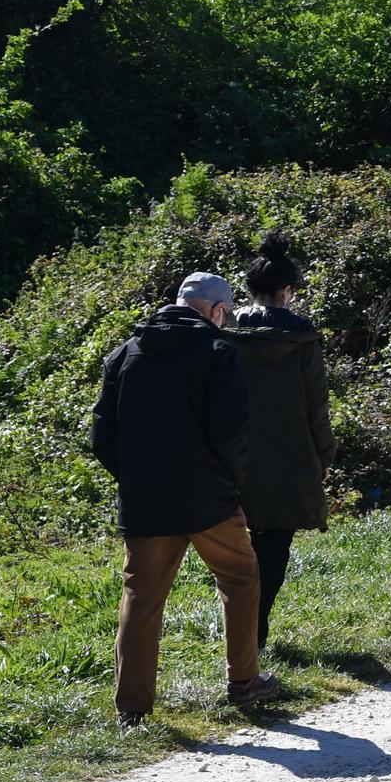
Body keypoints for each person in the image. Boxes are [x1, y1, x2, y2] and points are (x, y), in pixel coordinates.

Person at [89, 272, 276, 729]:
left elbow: (101, 437)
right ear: (217, 310)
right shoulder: (217, 352)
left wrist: (135, 478)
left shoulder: (124, 354)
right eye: (224, 314)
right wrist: (230, 481)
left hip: (145, 501)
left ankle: (132, 709)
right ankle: (243, 682)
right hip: (209, 500)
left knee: (141, 596)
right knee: (240, 578)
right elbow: (231, 430)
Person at [224, 232, 336, 654]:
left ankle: (238, 630)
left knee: (234, 545)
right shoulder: (302, 336)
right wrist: (324, 453)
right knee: (274, 545)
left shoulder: (226, 331)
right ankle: (255, 631)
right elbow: (315, 402)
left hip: (233, 454)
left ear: (248, 288)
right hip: (290, 455)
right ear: (286, 290)